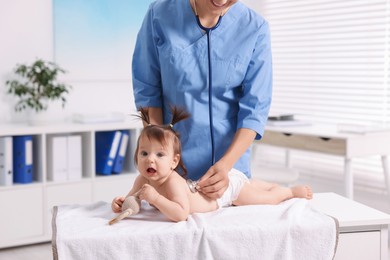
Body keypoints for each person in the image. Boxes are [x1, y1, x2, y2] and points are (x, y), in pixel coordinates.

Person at [132, 0, 273, 199]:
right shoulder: (159, 15)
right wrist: (159, 156)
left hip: (229, 172)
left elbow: (255, 110)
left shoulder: (255, 28)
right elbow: (147, 91)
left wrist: (226, 166)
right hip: (171, 169)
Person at [111, 107, 312, 222]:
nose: (150, 159)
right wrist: (121, 204)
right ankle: (263, 184)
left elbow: (181, 214)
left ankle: (289, 192)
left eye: (159, 154)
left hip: (224, 195)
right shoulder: (142, 178)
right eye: (144, 153)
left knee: (263, 198)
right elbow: (132, 200)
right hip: (208, 187)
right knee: (251, 184)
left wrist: (155, 199)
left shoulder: (172, 182)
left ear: (174, 162)